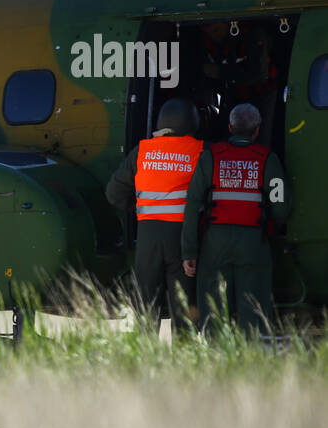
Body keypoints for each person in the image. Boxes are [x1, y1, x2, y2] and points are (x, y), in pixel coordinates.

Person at [181, 103, 289, 336]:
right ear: (257, 130)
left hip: (214, 242)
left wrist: (189, 251)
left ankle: (217, 357)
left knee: (214, 311)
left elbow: (191, 205)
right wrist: (272, 229)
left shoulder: (211, 157)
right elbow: (281, 208)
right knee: (254, 308)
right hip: (253, 242)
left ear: (230, 127)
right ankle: (250, 357)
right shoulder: (266, 159)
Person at [106, 97, 203, 331]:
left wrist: (140, 206)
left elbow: (114, 193)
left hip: (148, 236)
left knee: (145, 306)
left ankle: (145, 359)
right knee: (183, 306)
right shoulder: (199, 150)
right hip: (181, 237)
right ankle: (185, 357)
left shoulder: (143, 150)